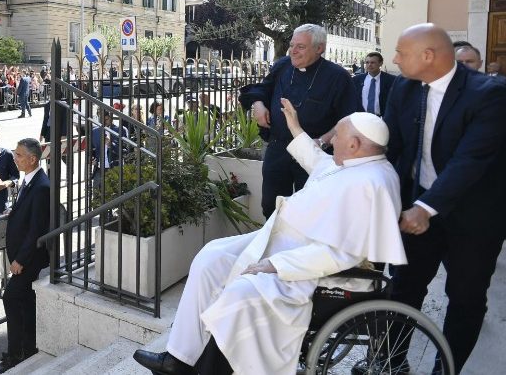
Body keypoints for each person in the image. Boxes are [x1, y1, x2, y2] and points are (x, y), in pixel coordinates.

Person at [132, 101, 406, 375]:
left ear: (355, 144)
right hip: (281, 242)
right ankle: (178, 358)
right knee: (211, 257)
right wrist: (295, 127)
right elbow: (318, 162)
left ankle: (209, 369)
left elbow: (342, 254)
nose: (332, 140)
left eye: (338, 136)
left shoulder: (372, 183)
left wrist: (278, 265)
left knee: (242, 292)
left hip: (308, 266)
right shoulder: (354, 162)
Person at [383, 23, 506, 371]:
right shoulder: (403, 89)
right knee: (404, 287)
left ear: (428, 56)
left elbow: (471, 160)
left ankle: (445, 368)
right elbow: (390, 145)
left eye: (400, 53)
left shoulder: (489, 93)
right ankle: (392, 361)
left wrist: (426, 207)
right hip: (419, 203)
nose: (394, 59)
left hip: (474, 216)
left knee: (465, 297)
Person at [239, 23, 358, 218]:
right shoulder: (282, 65)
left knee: (311, 212)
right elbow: (262, 89)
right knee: (271, 207)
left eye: (300, 47)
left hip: (315, 154)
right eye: (292, 45)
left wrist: (321, 141)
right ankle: (275, 247)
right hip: (278, 149)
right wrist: (258, 104)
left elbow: (348, 119)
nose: (293, 51)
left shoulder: (338, 77)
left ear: (319, 48)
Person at [0, 139, 51, 374]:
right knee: (26, 302)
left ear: (32, 159)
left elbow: (37, 229)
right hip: (22, 257)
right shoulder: (29, 180)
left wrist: (20, 260)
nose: (14, 158)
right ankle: (28, 347)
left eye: (18, 155)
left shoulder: (41, 186)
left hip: (29, 259)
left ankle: (15, 354)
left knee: (11, 298)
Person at [352, 51, 395, 116]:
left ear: (380, 63)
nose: (369, 65)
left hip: (382, 119)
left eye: (373, 62)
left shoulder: (391, 80)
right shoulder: (357, 80)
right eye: (367, 62)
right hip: (361, 118)